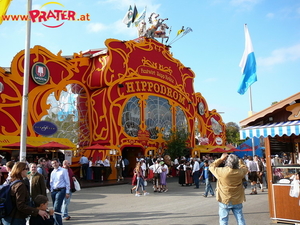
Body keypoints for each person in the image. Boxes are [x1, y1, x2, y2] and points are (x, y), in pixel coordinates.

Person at [209, 153, 247, 225]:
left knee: (223, 220)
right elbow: (245, 168)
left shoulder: (222, 171)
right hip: (237, 199)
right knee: (240, 218)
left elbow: (211, 166)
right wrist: (240, 161)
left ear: (227, 162)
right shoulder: (240, 172)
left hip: (224, 198)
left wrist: (221, 159)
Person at [50, 158, 70, 225]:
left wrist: (67, 192)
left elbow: (67, 182)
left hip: (61, 190)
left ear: (58, 163)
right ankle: (56, 222)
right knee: (55, 208)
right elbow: (51, 182)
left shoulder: (63, 171)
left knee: (56, 208)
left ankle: (58, 223)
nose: (54, 164)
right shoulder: (52, 172)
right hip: (54, 191)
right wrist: (52, 190)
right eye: (53, 163)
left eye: (55, 162)